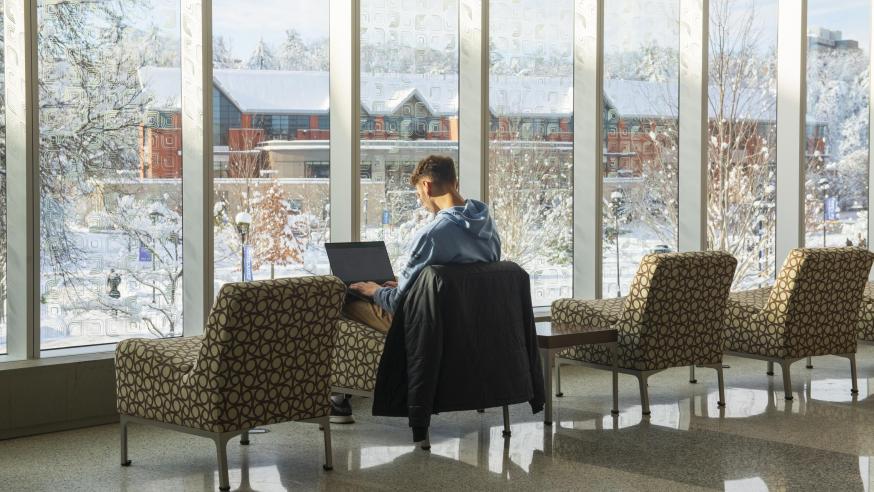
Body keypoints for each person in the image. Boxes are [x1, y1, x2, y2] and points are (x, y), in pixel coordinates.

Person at [331, 154, 502, 423]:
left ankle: (337, 399)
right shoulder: (488, 227)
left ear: (427, 186)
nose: (421, 202)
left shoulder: (433, 235)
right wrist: (418, 284)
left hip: (428, 329)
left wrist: (374, 290)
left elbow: (400, 304)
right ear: (454, 182)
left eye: (419, 195)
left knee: (341, 299)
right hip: (471, 328)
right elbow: (458, 282)